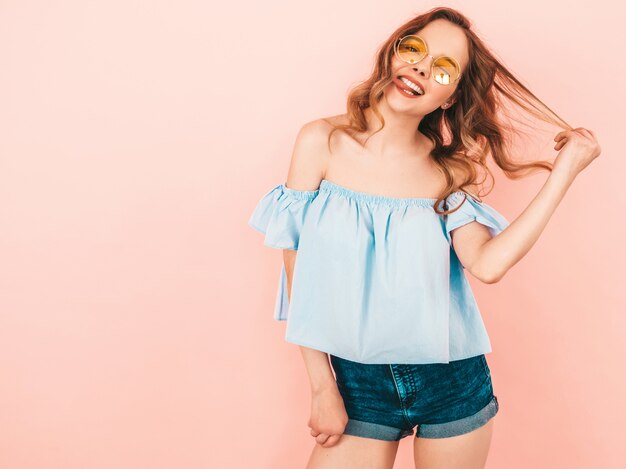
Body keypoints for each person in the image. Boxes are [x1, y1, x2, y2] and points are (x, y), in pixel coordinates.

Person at [248, 6, 600, 469]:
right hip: (357, 384)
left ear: (450, 98)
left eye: (443, 69)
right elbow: (299, 274)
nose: (420, 68)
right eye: (414, 49)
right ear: (394, 53)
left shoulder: (450, 171)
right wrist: (322, 386)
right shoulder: (321, 142)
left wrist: (565, 172)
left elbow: (489, 266)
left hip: (452, 383)